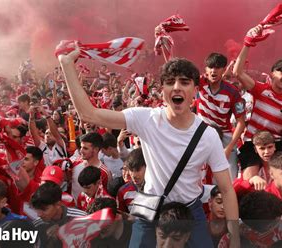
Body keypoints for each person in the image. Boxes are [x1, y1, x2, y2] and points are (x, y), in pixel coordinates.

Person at [58, 44, 239, 247]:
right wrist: (67, 66)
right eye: (170, 82)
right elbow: (89, 114)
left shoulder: (207, 136)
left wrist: (235, 238)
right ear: (163, 91)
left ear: (195, 91)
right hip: (151, 210)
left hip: (189, 211)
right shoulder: (146, 119)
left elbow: (226, 188)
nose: (177, 87)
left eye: (185, 82)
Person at [233, 25, 282, 174]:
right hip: (252, 143)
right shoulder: (261, 89)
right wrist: (247, 44)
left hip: (276, 144)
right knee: (249, 178)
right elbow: (237, 73)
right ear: (272, 74)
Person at [196, 53, 246, 179]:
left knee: (229, 178)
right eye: (210, 67)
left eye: (218, 67)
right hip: (201, 133)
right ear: (206, 69)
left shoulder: (233, 92)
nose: (213, 70)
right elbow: (178, 74)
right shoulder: (200, 82)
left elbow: (241, 122)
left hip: (224, 137)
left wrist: (229, 148)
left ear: (224, 70)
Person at [31, 181, 87, 247]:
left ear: (58, 204)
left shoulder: (81, 218)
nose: (39, 214)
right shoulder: (36, 225)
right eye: (37, 209)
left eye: (44, 209)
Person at [71, 132, 112, 199]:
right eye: (81, 147)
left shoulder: (104, 173)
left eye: (85, 148)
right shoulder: (73, 163)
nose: (81, 151)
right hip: (73, 208)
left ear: (96, 150)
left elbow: (105, 197)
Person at [117, 148, 146, 213]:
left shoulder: (158, 187)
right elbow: (122, 217)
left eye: (137, 170)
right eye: (131, 170)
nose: (133, 175)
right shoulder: (123, 192)